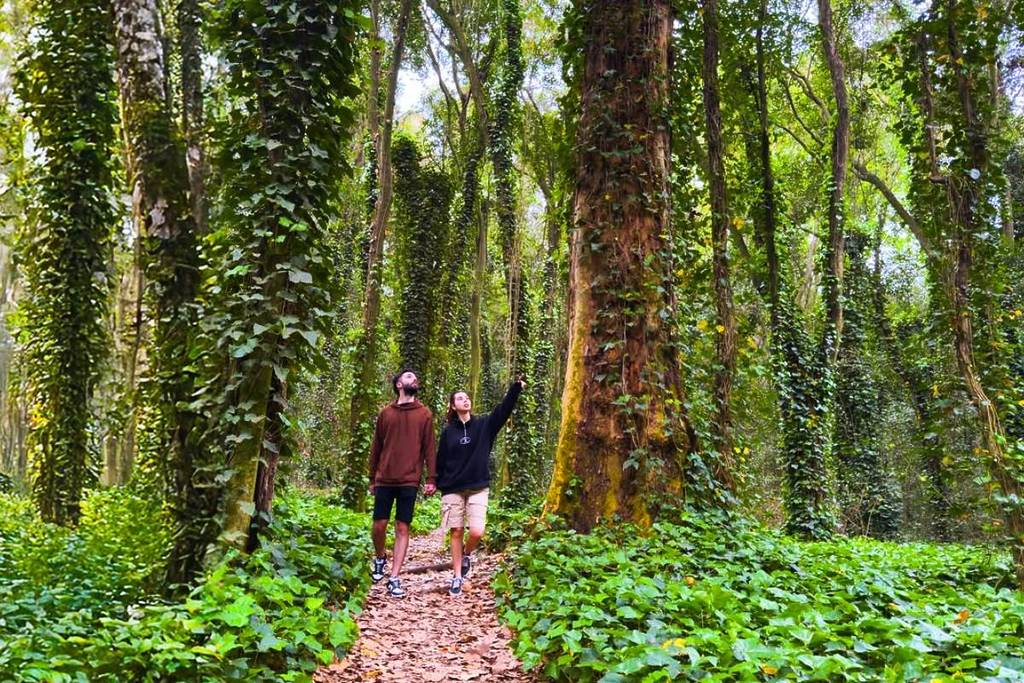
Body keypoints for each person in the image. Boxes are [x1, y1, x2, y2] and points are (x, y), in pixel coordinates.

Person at [436, 375, 525, 596]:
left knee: (477, 531)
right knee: (456, 531)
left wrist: (515, 389)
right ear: (452, 406)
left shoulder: (484, 425)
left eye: (467, 398)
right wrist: (436, 482)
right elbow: (441, 459)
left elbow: (503, 411)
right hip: (452, 488)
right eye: (459, 398)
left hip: (478, 486)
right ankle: (457, 577)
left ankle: (467, 554)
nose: (465, 400)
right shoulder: (448, 432)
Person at [368, 369, 437, 598]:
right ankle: (380, 557)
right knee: (379, 525)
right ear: (398, 384)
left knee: (402, 526)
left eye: (415, 378)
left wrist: (430, 478)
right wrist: (372, 478)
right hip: (385, 477)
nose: (414, 380)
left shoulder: (424, 414)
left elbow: (429, 448)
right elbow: (376, 447)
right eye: (409, 377)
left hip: (410, 478)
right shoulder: (386, 413)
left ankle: (395, 577)